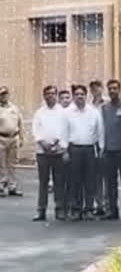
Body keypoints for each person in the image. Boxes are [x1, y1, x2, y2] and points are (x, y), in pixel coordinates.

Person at [65, 84, 105, 221]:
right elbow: (64, 132)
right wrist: (65, 150)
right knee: (75, 181)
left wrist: (101, 148)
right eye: (77, 94)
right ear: (73, 96)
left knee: (89, 181)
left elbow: (100, 131)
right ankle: (76, 210)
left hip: (89, 149)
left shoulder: (94, 112)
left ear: (86, 96)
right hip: (74, 149)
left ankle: (88, 209)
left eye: (82, 94)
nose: (80, 96)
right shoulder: (68, 113)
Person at [32, 85, 68, 221]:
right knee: (43, 182)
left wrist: (58, 144)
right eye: (47, 94)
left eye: (53, 93)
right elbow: (36, 130)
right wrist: (42, 143)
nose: (50, 96)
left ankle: (59, 209)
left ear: (56, 95)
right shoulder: (39, 112)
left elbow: (65, 130)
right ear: (44, 96)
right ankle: (41, 210)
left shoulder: (63, 112)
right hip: (42, 152)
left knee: (59, 181)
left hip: (58, 151)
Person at [101, 79, 121, 220]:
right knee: (110, 183)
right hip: (108, 150)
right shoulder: (104, 108)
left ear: (119, 90)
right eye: (110, 88)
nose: (112, 91)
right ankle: (112, 210)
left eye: (115, 88)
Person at [0, 86, 23, 197]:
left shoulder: (14, 108)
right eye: (1, 94)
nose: (3, 96)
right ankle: (1, 185)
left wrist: (22, 138)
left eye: (5, 94)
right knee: (1, 164)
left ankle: (12, 187)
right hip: (1, 138)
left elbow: (20, 123)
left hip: (14, 138)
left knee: (13, 164)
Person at [89, 80, 107, 216]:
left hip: (107, 142)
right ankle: (98, 203)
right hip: (93, 143)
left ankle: (107, 204)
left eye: (98, 88)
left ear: (102, 88)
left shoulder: (107, 104)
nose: (96, 90)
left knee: (107, 176)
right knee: (95, 176)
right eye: (93, 88)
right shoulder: (89, 106)